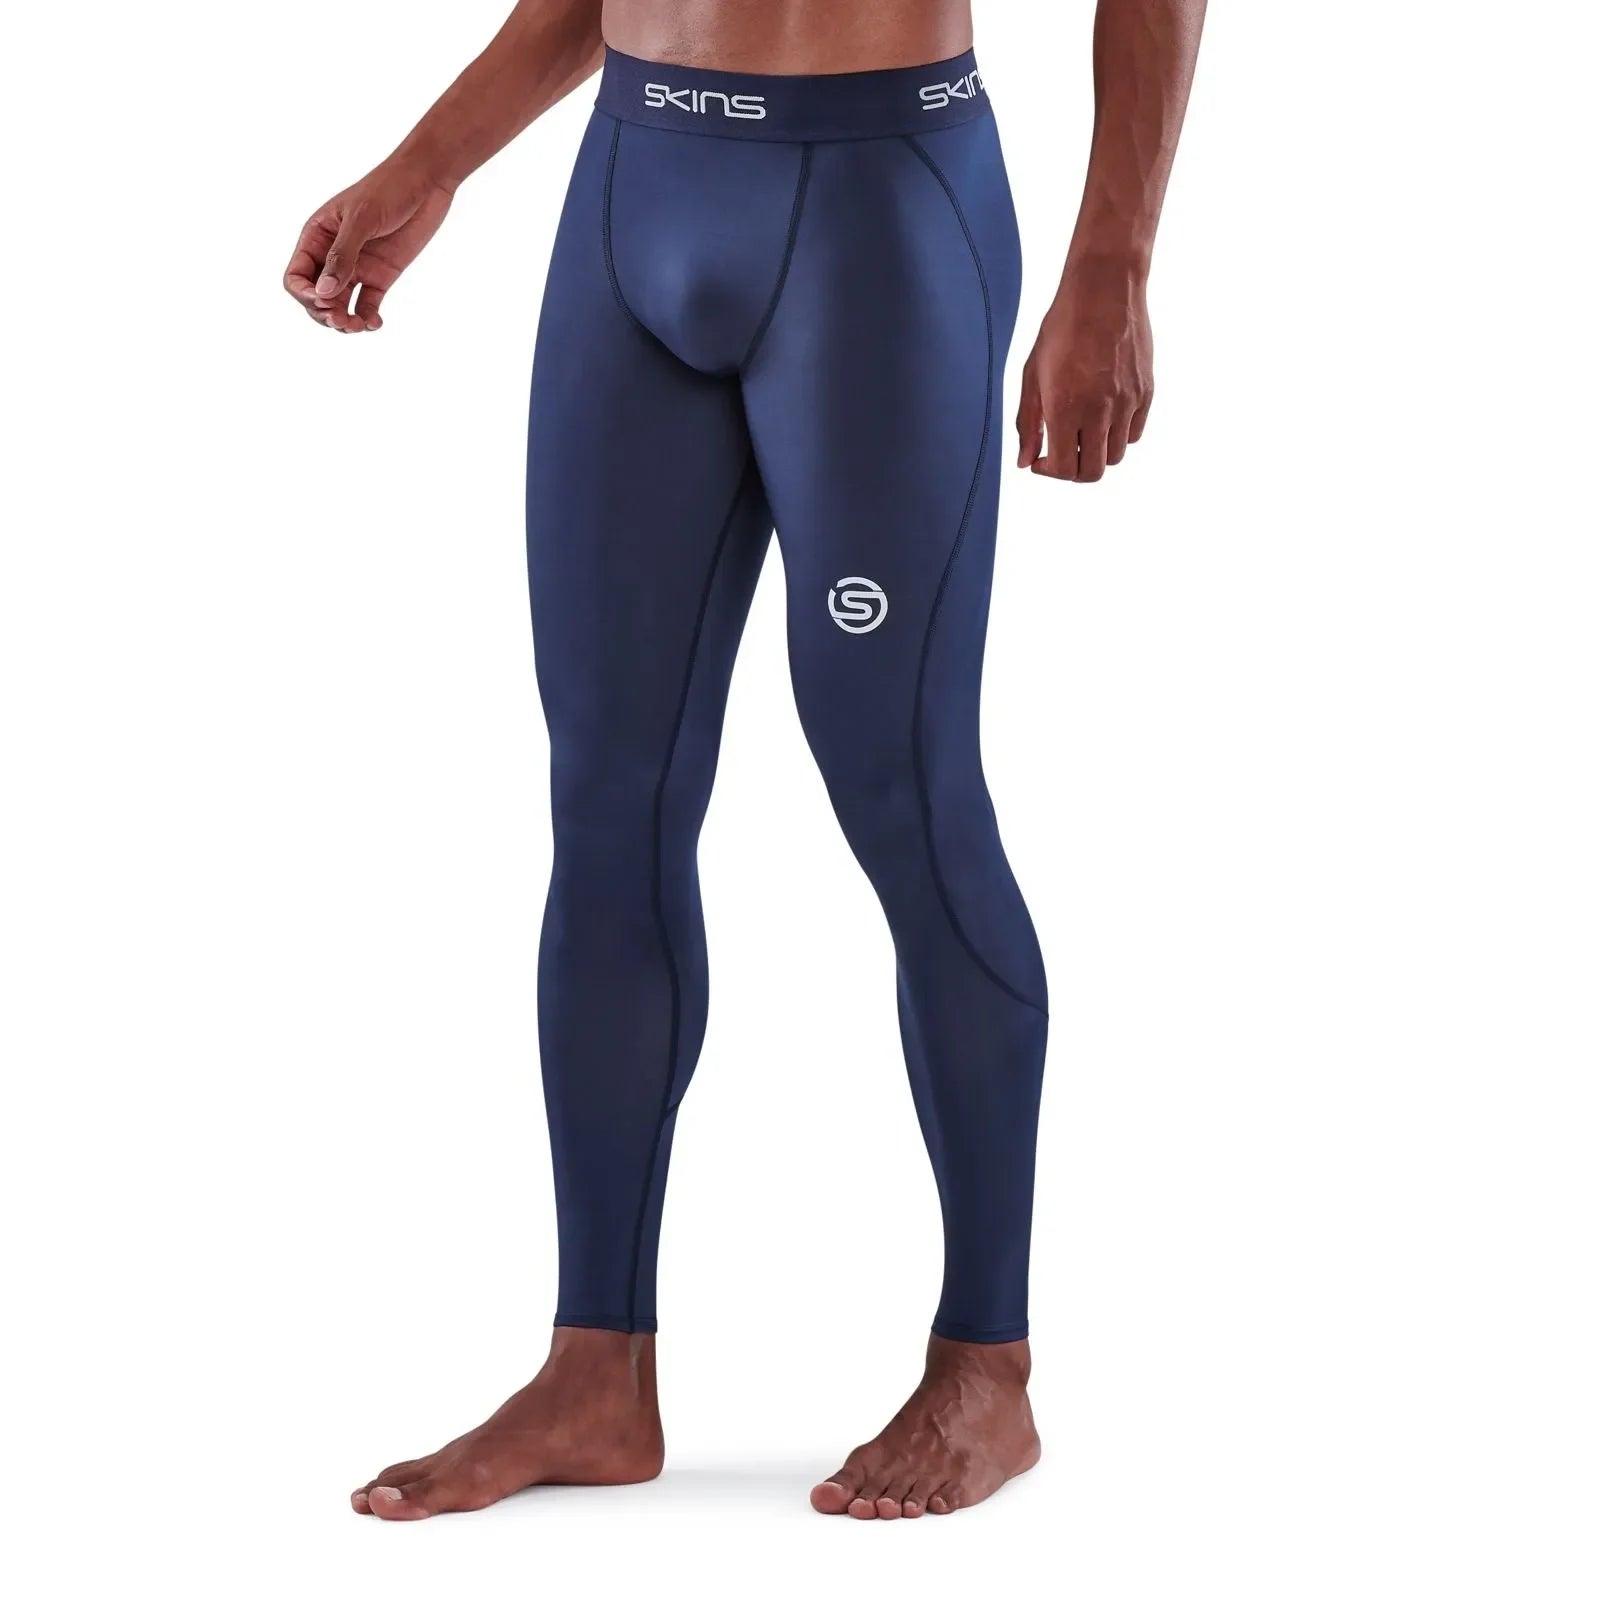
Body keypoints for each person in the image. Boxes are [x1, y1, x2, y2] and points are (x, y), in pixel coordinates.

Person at [285, 0, 1205, 1522]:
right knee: (607, 799)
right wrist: (429, 162)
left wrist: (1112, 261)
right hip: (632, 192)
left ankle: (988, 1366)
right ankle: (595, 1372)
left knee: (904, 790)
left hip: (880, 213)